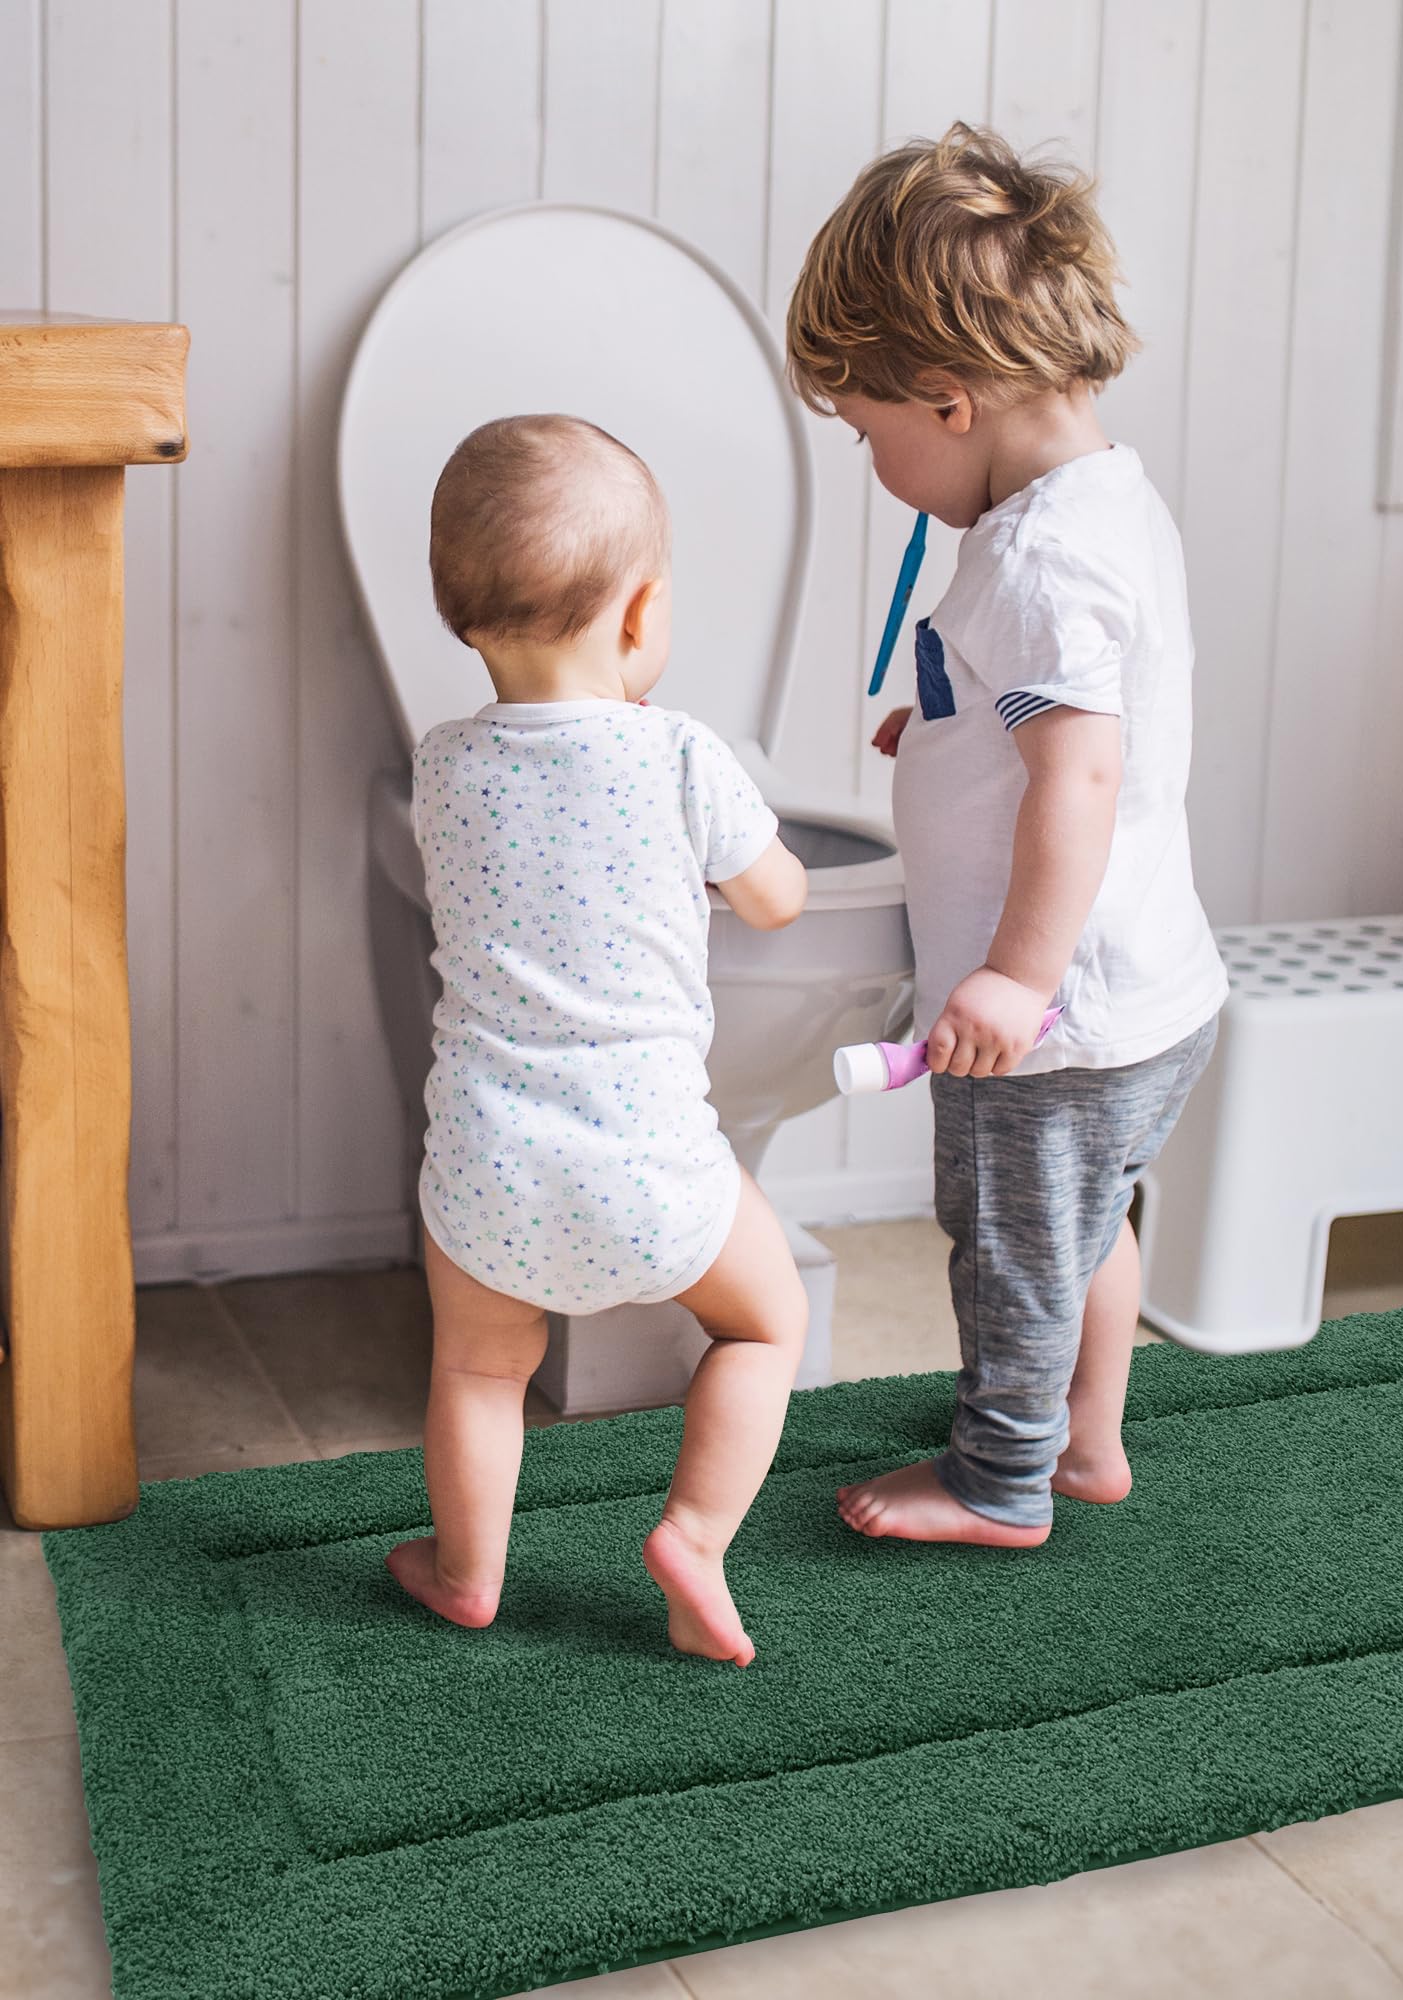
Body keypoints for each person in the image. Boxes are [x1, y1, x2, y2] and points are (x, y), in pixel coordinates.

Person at [786, 124, 1229, 1546]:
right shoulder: (1096, 502)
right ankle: (1085, 1442)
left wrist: (1014, 978)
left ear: (949, 400)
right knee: (1083, 1228)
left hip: (1058, 1011)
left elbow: (1080, 778)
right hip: (1146, 990)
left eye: (869, 434)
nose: (874, 463)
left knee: (1016, 1252)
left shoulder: (1036, 559)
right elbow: (1077, 722)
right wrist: (949, 723)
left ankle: (1000, 1480)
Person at [388, 413, 808, 1664]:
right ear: (639, 618)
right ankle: (690, 1531)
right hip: (649, 1163)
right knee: (761, 1322)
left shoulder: (443, 764)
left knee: (475, 1371)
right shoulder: (680, 753)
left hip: (487, 1169)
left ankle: (467, 1571)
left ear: (461, 617)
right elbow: (780, 895)